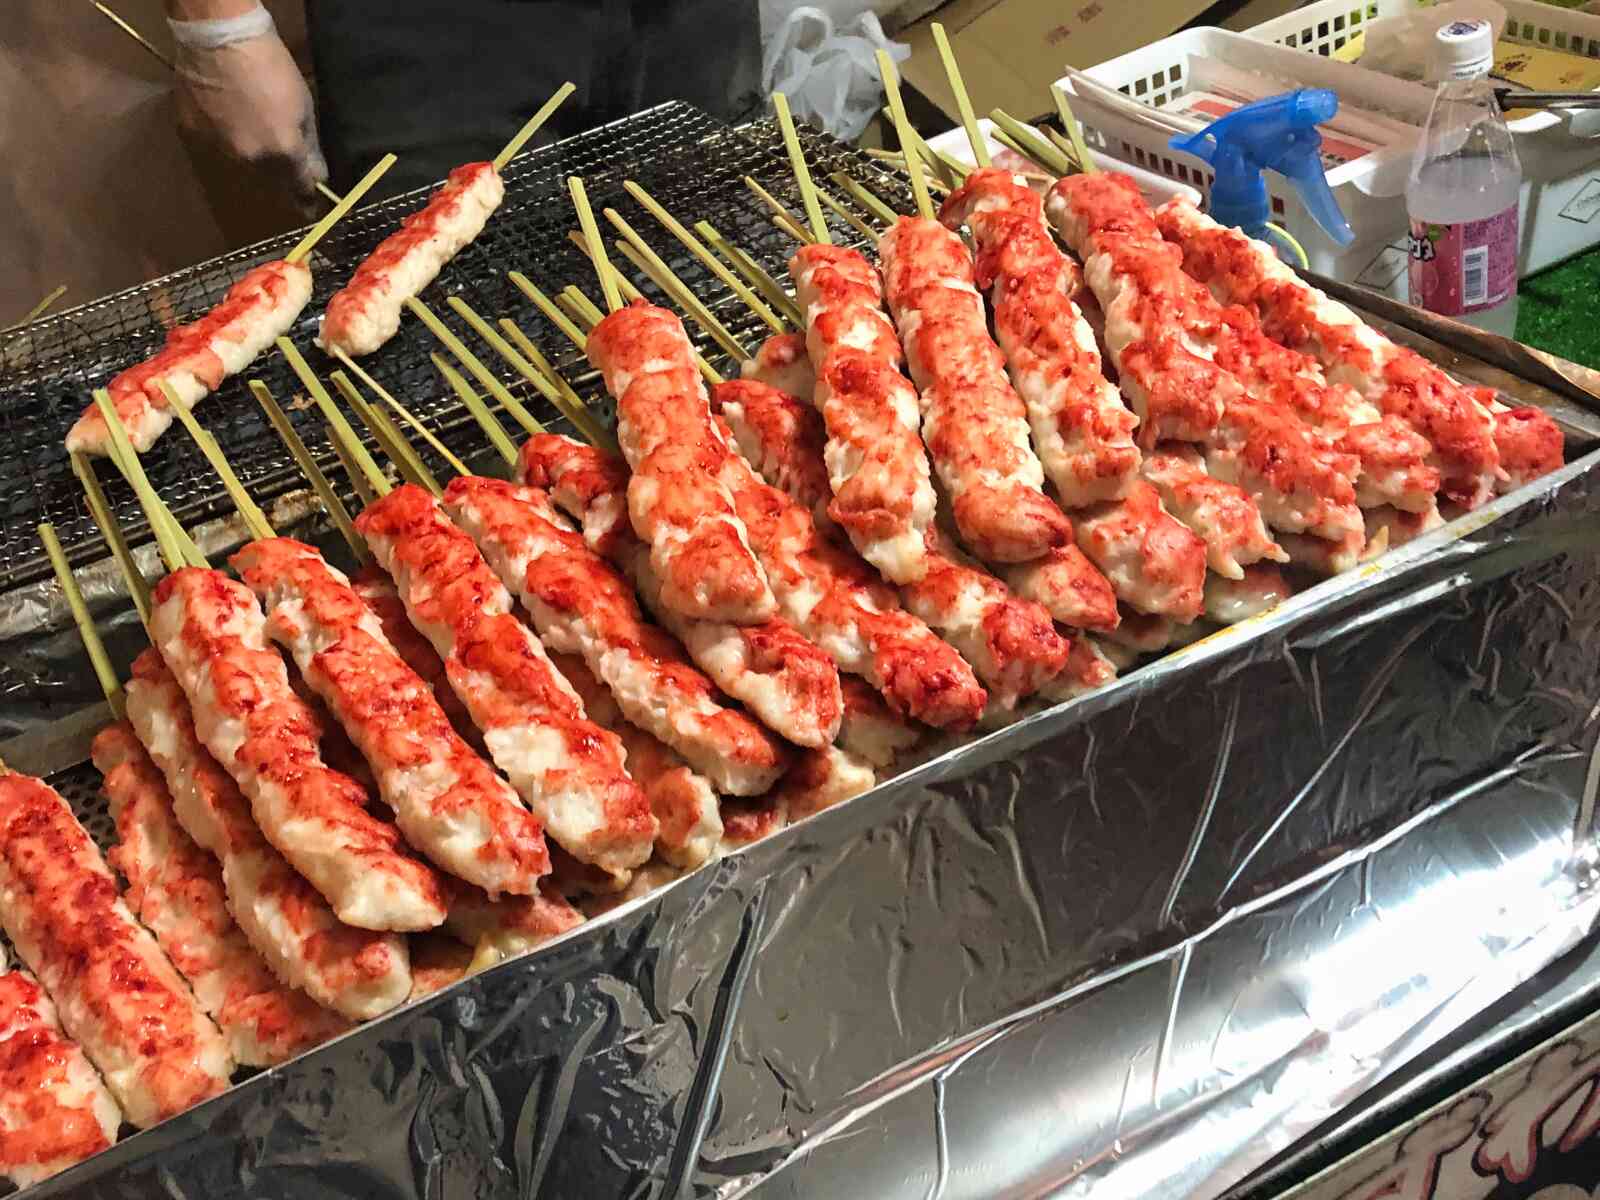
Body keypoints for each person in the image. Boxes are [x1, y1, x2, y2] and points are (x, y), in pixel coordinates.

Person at [164, 0, 765, 211]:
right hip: (437, 30)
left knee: (728, 337)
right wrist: (217, 23)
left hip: (693, 20)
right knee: (462, 397)